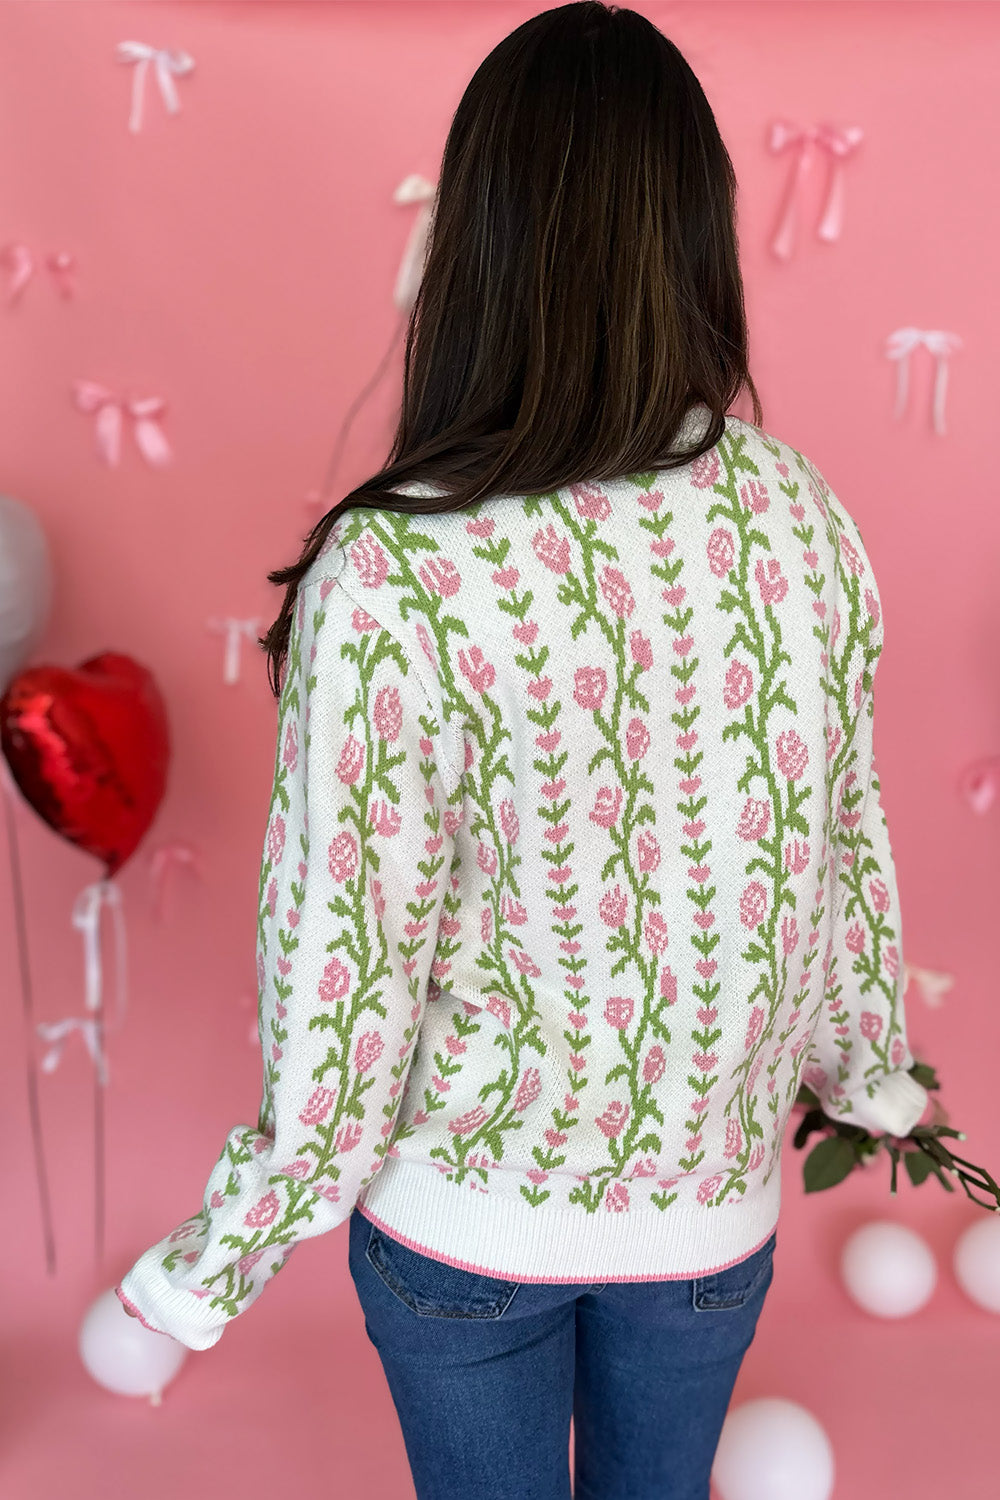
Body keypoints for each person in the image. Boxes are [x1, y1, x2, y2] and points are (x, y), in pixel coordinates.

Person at [117, 3, 929, 1496]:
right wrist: (866, 1067)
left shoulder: (400, 563)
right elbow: (839, 858)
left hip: (463, 1234)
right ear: (697, 231)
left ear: (477, 235)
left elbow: (338, 977)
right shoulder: (802, 519)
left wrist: (199, 1274)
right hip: (709, 1221)